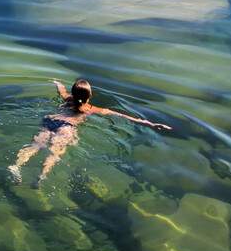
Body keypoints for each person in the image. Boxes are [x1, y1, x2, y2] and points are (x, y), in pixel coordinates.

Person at [10, 77, 169, 185]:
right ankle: (41, 176)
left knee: (36, 145)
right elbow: (121, 115)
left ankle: (16, 166)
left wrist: (56, 82)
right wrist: (151, 124)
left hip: (51, 119)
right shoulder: (91, 109)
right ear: (90, 95)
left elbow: (61, 90)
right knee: (55, 152)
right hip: (67, 128)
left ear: (73, 93)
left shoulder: (68, 99)